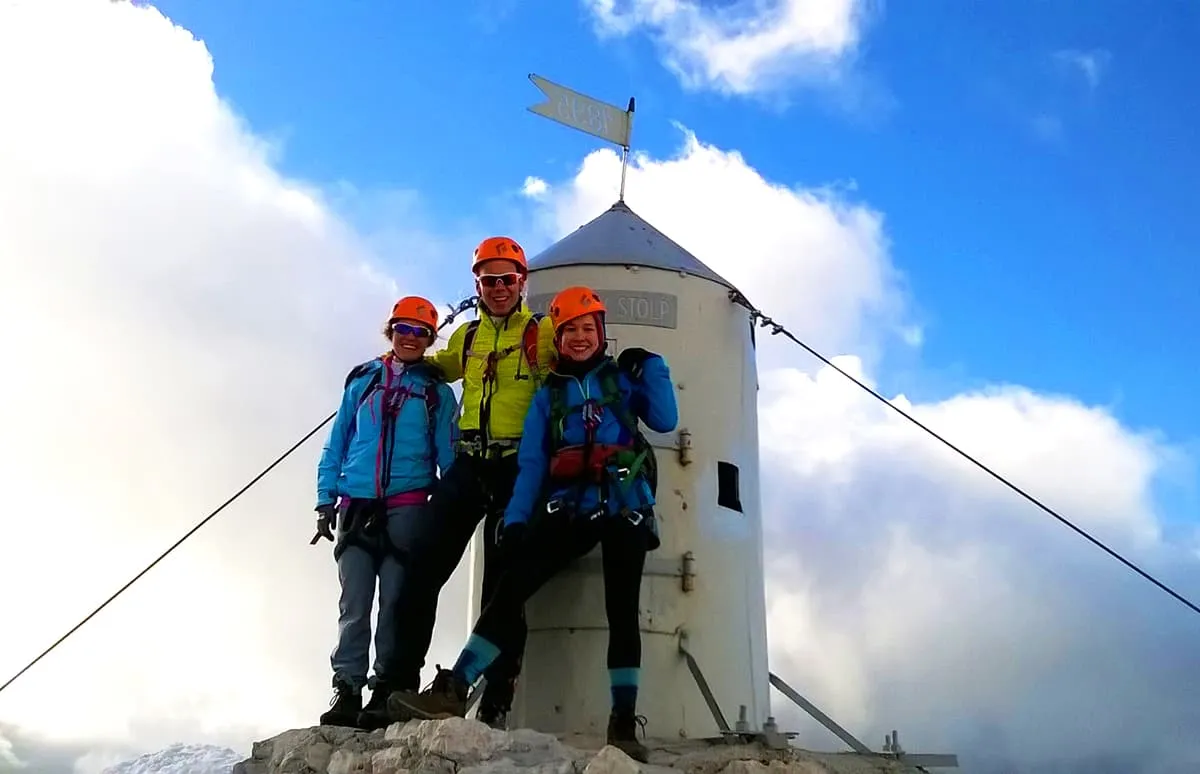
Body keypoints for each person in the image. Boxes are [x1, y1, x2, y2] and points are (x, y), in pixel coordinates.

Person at [384, 285, 678, 763]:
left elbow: (665, 419)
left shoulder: (622, 380)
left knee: (622, 610)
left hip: (625, 505)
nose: (580, 338)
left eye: (588, 329)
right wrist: (518, 519)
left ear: (601, 333)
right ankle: (456, 686)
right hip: (571, 507)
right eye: (570, 331)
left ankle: (623, 722)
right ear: (556, 338)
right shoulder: (549, 396)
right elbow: (533, 465)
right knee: (511, 586)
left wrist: (653, 364)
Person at [361, 236, 556, 731]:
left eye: (506, 279)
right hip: (470, 466)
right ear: (477, 284)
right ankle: (396, 687)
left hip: (519, 469)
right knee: (418, 567)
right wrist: (393, 362)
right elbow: (432, 366)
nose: (497, 288)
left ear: (521, 282)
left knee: (501, 588)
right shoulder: (466, 338)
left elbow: (580, 357)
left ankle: (495, 699)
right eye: (488, 280)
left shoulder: (545, 334)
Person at [312, 296, 457, 728]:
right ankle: (348, 689)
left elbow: (447, 453)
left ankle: (384, 690)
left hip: (408, 505)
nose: (410, 338)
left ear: (430, 339)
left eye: (419, 332)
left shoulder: (437, 393)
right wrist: (325, 497)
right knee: (354, 603)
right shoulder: (363, 381)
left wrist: (447, 506)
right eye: (403, 329)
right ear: (390, 332)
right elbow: (338, 439)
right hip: (356, 503)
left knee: (395, 603)